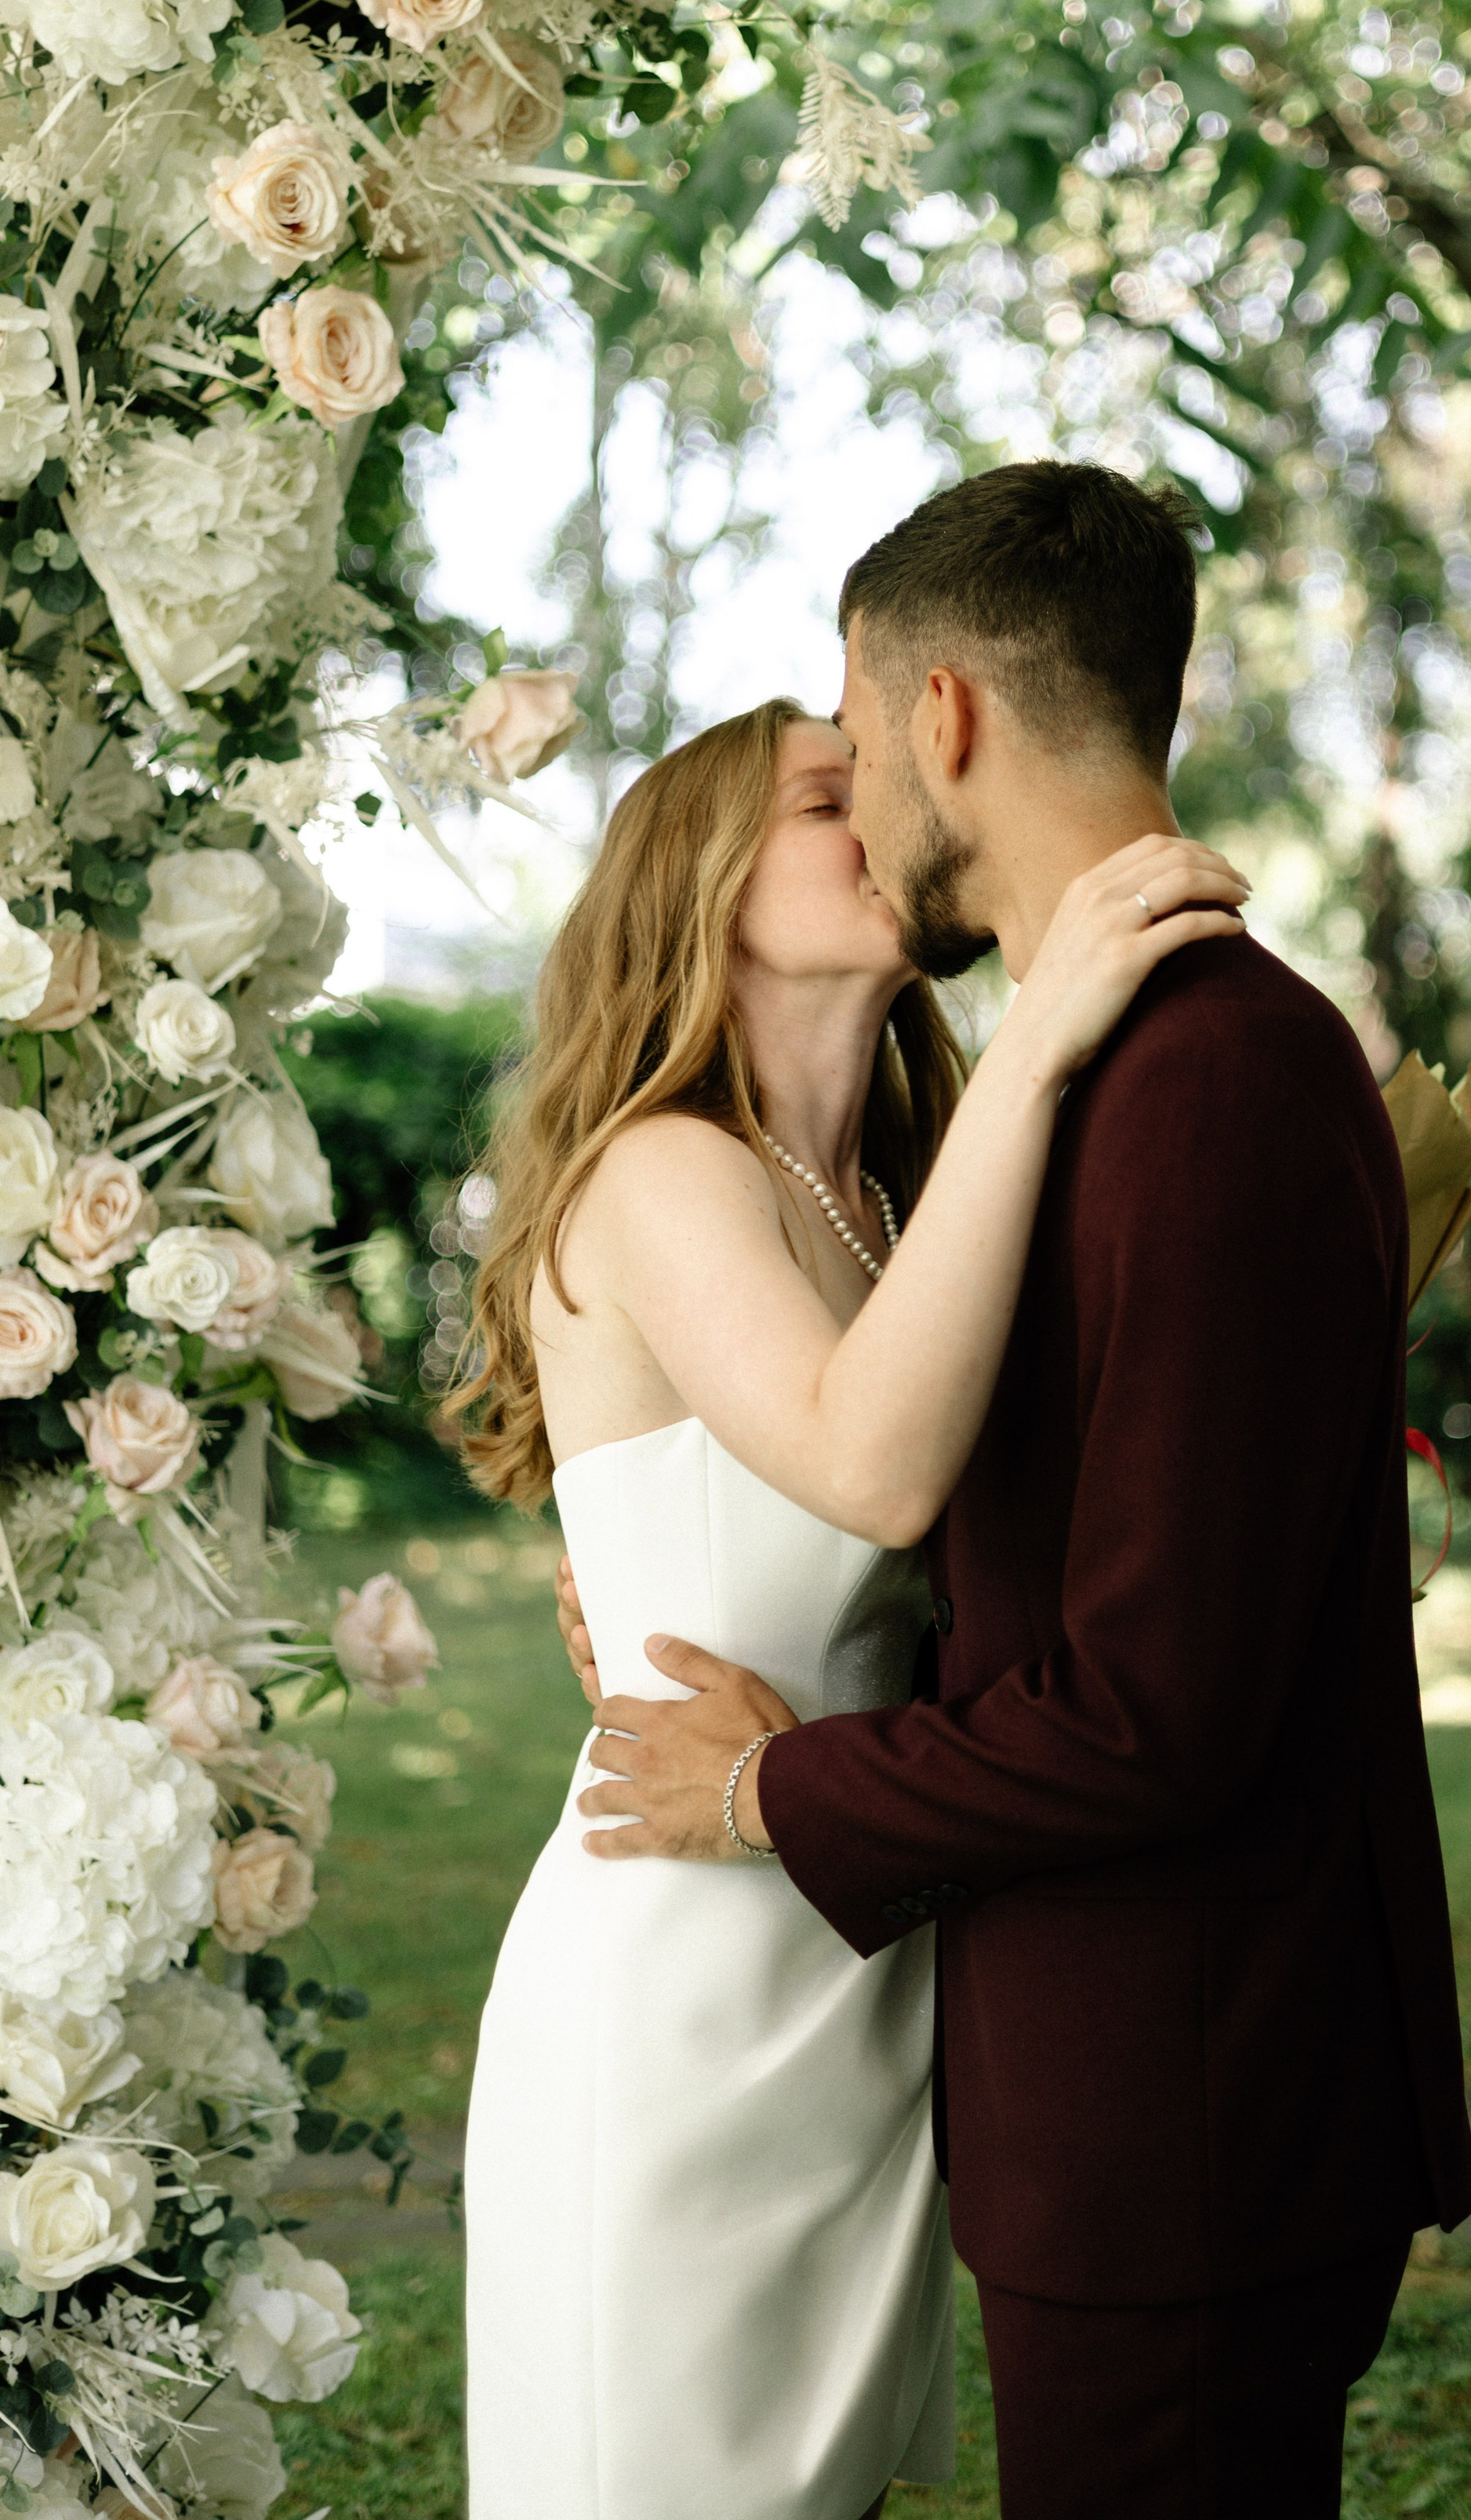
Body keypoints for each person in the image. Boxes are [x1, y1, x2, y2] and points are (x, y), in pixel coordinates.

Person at [563, 461, 1471, 2519]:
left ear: (947, 716)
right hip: (1127, 2094)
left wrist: (762, 1790)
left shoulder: (1204, 1075)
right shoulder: (1098, 1078)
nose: (864, 800)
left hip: (1190, 2104)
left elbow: (1157, 1708)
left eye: (854, 737)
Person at [449, 686, 1250, 2520]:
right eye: (830, 796)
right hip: (676, 1981)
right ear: (709, 884)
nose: (881, 814)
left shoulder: (899, 1193)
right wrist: (1048, 1029)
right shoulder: (658, 1171)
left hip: (868, 1966)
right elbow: (873, 1470)